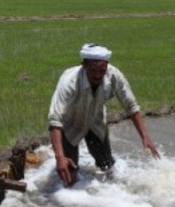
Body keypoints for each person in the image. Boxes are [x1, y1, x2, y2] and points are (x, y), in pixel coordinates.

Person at [48, 43, 160, 186]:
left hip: (96, 123)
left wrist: (145, 136)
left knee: (107, 167)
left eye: (102, 70)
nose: (97, 75)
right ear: (84, 65)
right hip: (70, 125)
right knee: (69, 177)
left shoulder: (114, 76)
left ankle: (109, 195)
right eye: (93, 70)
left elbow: (131, 105)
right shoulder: (69, 82)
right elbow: (55, 120)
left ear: (107, 65)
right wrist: (59, 157)